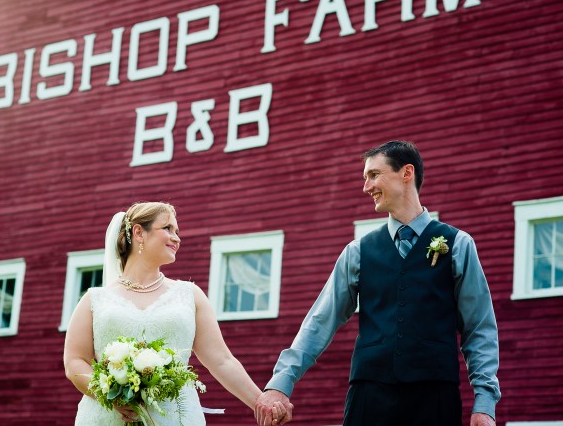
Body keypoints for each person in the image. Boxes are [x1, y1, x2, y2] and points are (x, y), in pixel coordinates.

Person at [255, 140, 500, 426]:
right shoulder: (358, 252)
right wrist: (281, 381)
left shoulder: (458, 245)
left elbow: (479, 328)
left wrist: (485, 402)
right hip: (368, 398)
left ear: (406, 173)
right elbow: (320, 321)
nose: (366, 187)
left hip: (434, 398)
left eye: (374, 175)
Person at [64, 201, 292, 425]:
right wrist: (110, 396)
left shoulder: (189, 295)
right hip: (108, 418)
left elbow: (222, 361)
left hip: (175, 418)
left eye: (177, 231)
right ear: (138, 232)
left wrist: (260, 402)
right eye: (167, 228)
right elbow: (75, 361)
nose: (177, 237)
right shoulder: (94, 299)